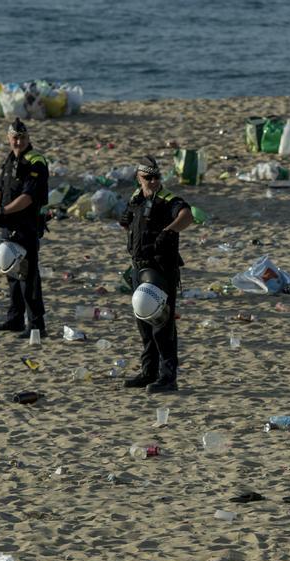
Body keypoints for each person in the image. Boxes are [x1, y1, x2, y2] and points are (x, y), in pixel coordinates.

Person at [119, 155, 193, 393]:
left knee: (161, 323)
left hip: (160, 268)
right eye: (147, 177)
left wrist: (170, 232)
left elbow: (186, 215)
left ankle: (168, 377)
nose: (152, 181)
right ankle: (148, 371)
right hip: (139, 266)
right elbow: (129, 221)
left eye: (156, 177)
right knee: (143, 322)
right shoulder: (136, 198)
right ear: (138, 178)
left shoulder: (167, 199)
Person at [0, 118, 48, 338]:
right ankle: (14, 318)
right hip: (8, 226)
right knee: (10, 272)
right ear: (8, 138)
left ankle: (36, 325)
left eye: (22, 137)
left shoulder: (35, 162)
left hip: (26, 226)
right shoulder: (10, 160)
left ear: (28, 138)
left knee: (28, 276)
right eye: (14, 137)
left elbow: (28, 197)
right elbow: (0, 188)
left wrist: (4, 212)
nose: (18, 141)